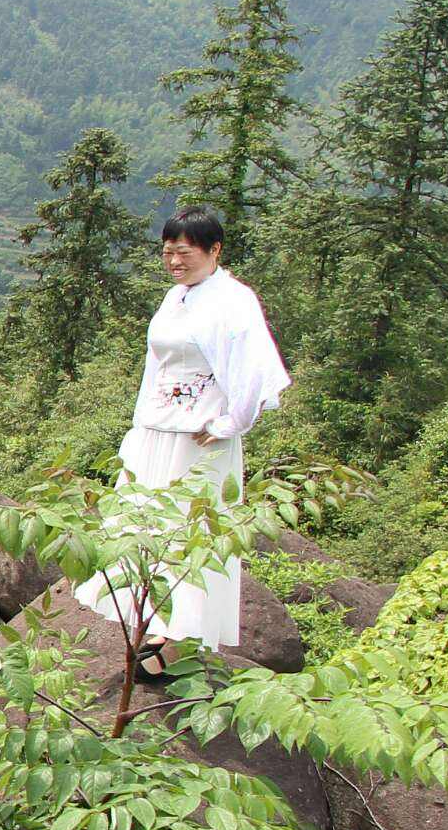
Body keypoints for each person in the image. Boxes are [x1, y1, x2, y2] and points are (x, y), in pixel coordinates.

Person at [78, 207, 291, 680]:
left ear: (214, 251)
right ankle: (151, 621)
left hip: (197, 440)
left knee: (187, 531)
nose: (174, 261)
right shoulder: (176, 297)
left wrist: (227, 423)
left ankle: (177, 637)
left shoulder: (234, 300)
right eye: (168, 252)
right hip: (159, 430)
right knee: (145, 524)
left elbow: (254, 369)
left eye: (185, 252)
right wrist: (140, 426)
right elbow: (156, 367)